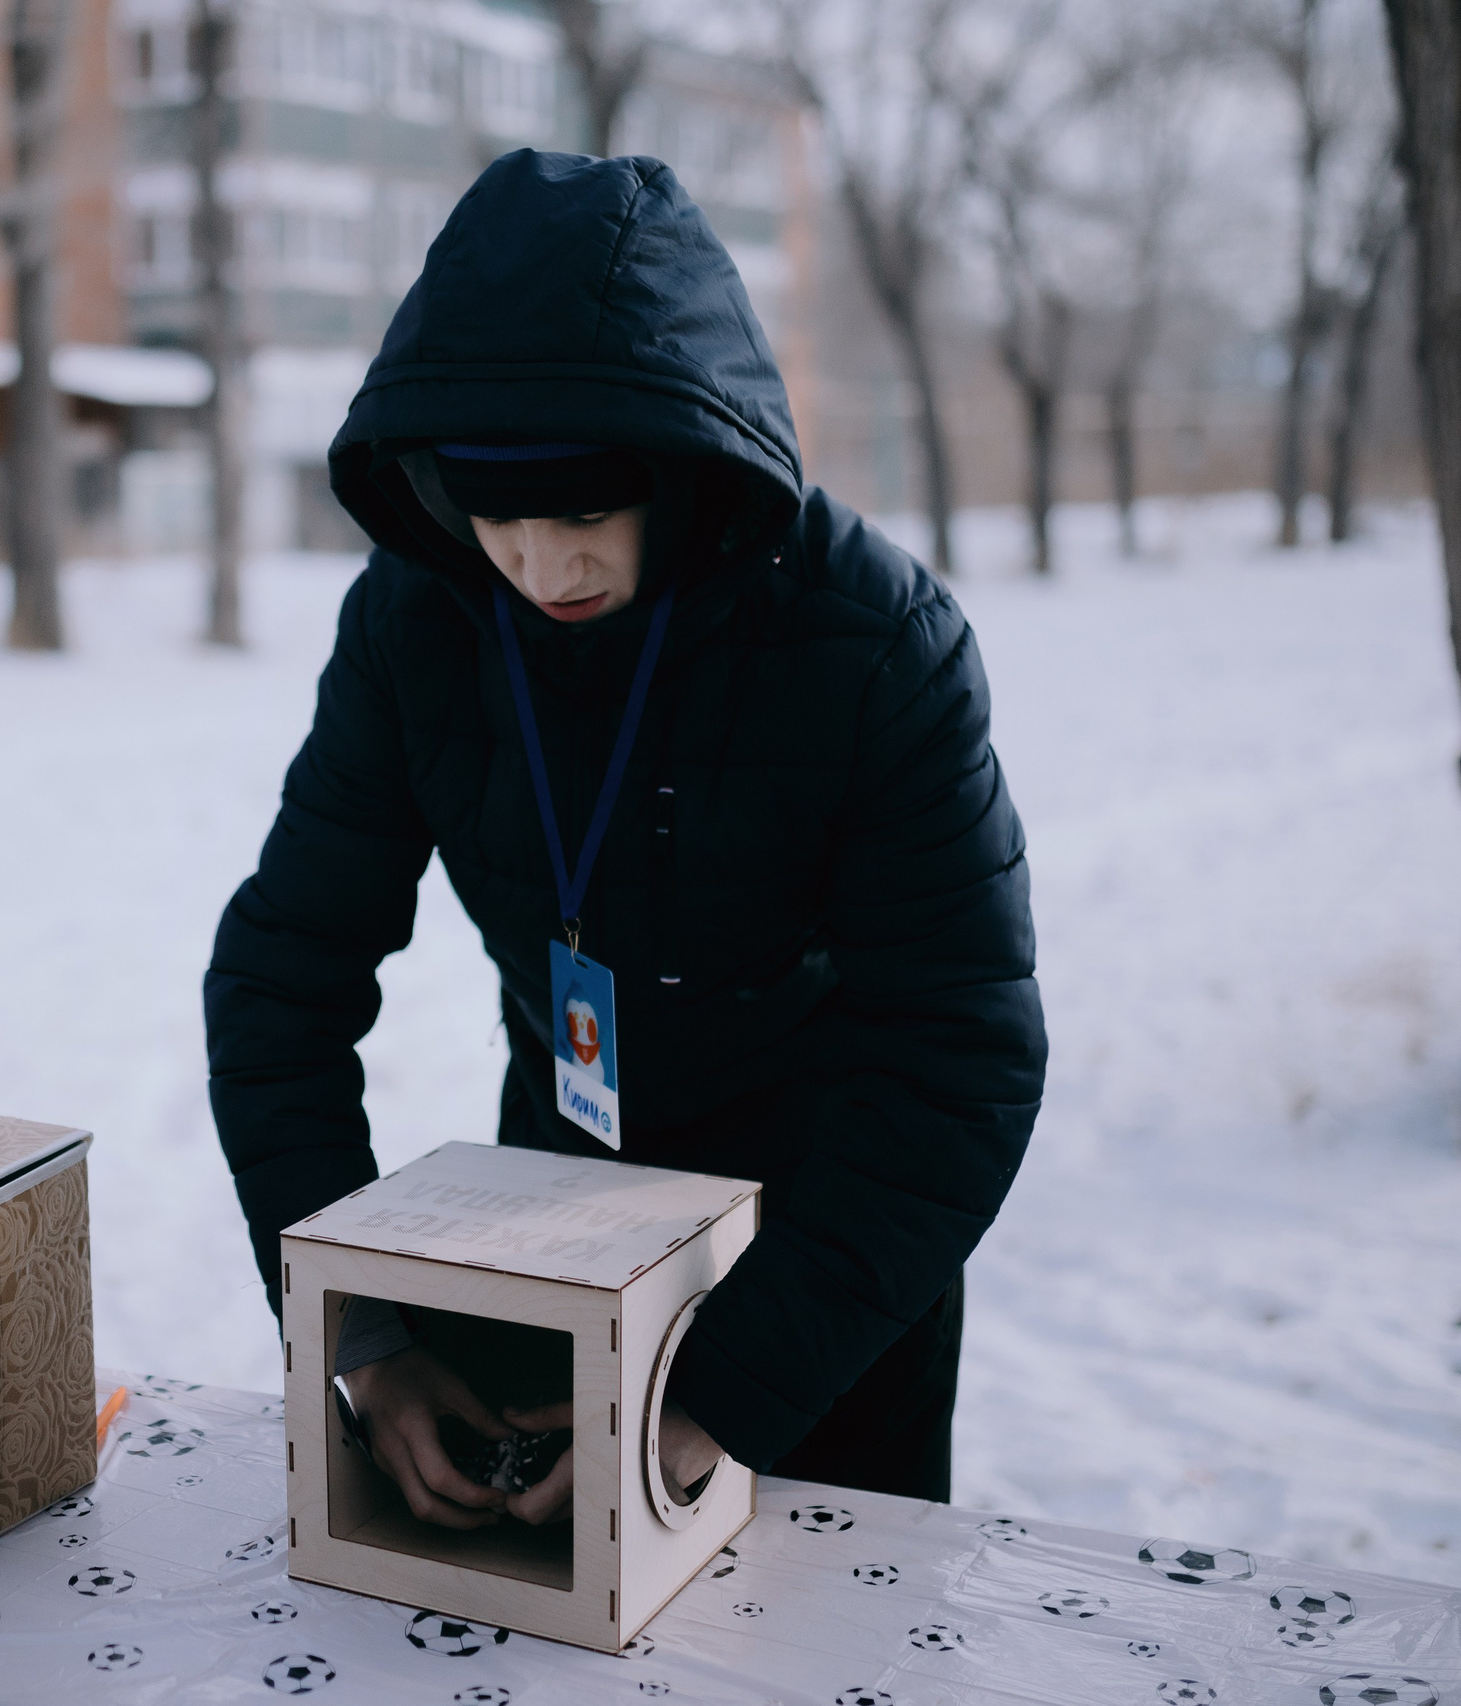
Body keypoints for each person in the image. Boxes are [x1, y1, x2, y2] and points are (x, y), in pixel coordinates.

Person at [205, 151, 1047, 1532]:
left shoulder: (876, 643)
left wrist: (721, 1394)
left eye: (587, 512)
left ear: (682, 468)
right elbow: (278, 984)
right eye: (497, 516)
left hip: (830, 1271)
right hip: (555, 1229)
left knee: (811, 1633)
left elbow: (961, 1058)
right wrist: (361, 1333)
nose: (543, 566)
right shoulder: (415, 621)